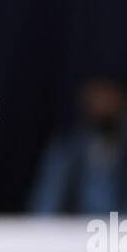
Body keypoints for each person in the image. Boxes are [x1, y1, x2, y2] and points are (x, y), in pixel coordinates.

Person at [28, 75, 127, 215]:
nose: (103, 101)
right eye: (97, 93)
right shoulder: (66, 150)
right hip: (75, 233)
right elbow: (44, 209)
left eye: (109, 93)